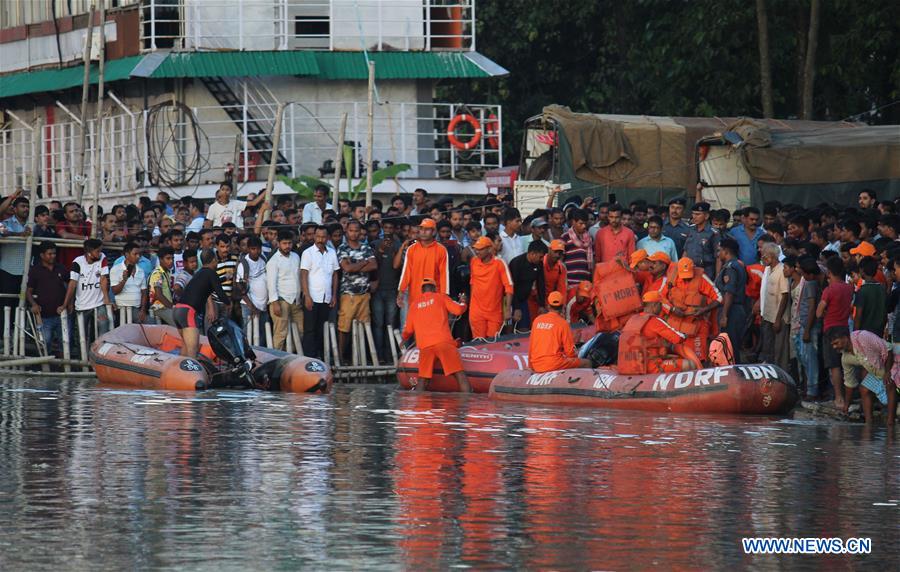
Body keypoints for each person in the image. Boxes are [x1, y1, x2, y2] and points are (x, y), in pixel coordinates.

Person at [401, 278, 470, 392]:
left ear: (422, 290)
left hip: (425, 346)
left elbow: (408, 329)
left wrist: (403, 339)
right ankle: (466, 405)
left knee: (423, 380)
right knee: (460, 375)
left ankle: (420, 407)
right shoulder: (441, 297)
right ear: (434, 288)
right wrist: (463, 302)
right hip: (443, 343)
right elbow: (458, 310)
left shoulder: (414, 304)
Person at [618, 291, 698, 374]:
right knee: (690, 364)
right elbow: (678, 338)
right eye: (660, 305)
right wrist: (685, 335)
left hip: (633, 366)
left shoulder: (632, 319)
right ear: (654, 305)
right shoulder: (654, 320)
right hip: (652, 366)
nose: (661, 308)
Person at [828, 326, 895, 425]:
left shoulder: (862, 337)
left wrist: (888, 372)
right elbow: (849, 384)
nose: (834, 347)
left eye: (836, 343)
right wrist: (846, 405)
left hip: (893, 365)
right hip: (878, 372)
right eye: (832, 344)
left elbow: (888, 349)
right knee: (864, 388)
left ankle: (890, 421)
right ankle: (869, 422)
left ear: (845, 338)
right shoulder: (845, 358)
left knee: (889, 383)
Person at [173, 249, 230, 358]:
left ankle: (179, 372)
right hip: (188, 312)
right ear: (214, 260)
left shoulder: (199, 273)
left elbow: (213, 283)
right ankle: (191, 374)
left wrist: (224, 277)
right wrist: (228, 304)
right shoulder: (211, 273)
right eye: (217, 260)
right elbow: (220, 293)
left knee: (186, 346)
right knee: (193, 350)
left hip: (177, 310)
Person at [664, 257, 722, 360]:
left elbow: (719, 298)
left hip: (696, 327)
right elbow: (661, 299)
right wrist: (672, 309)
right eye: (684, 276)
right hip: (675, 327)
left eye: (689, 276)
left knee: (699, 360)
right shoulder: (671, 279)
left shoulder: (702, 278)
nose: (686, 279)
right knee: (676, 360)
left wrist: (703, 310)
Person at [816, 257, 854, 410]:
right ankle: (845, 397)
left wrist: (826, 313)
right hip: (844, 328)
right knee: (845, 363)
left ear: (829, 273)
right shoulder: (848, 288)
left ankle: (838, 398)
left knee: (834, 365)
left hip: (831, 329)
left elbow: (819, 312)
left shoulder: (829, 290)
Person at [60, 238, 112, 352]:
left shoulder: (102, 257)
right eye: (97, 251)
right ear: (89, 252)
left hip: (98, 304)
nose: (100, 253)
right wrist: (66, 304)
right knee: (82, 336)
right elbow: (72, 284)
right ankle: (82, 358)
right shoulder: (77, 262)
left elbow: (103, 279)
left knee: (103, 327)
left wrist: (106, 298)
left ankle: (100, 354)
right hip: (82, 305)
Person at [337, 220, 377, 358]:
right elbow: (347, 268)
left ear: (360, 232)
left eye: (356, 230)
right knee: (344, 328)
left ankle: (360, 358)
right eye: (351, 230)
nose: (354, 233)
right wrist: (365, 262)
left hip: (364, 293)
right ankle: (341, 357)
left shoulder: (366, 247)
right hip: (348, 294)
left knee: (364, 326)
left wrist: (355, 265)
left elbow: (374, 266)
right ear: (346, 232)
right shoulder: (342, 248)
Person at [300, 226, 340, 360]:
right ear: (314, 237)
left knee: (321, 329)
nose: (320, 240)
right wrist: (307, 296)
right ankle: (309, 359)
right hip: (312, 296)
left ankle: (320, 357)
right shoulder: (308, 253)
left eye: (323, 237)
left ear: (327, 238)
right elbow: (304, 275)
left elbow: (335, 274)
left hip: (326, 297)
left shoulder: (332, 253)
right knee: (309, 329)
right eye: (318, 236)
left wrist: (334, 295)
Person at [528, 291, 591, 373]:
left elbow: (531, 346)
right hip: (553, 364)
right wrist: (575, 360)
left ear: (548, 305)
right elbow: (570, 353)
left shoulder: (537, 320)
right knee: (587, 363)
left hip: (536, 365)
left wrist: (530, 366)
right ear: (562, 307)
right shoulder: (563, 323)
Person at [25, 242, 69, 357]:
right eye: (49, 254)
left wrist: (68, 304)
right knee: (45, 342)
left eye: (54, 253)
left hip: (61, 313)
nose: (53, 256)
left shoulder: (61, 268)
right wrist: (33, 304)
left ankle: (63, 365)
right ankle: (47, 365)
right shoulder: (35, 270)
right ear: (42, 255)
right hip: (44, 315)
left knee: (65, 342)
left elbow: (71, 286)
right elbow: (28, 291)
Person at [397, 218, 448, 309]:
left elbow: (444, 275)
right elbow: (406, 272)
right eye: (421, 229)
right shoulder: (411, 249)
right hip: (415, 295)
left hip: (435, 295)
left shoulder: (441, 250)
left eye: (427, 229)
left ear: (433, 232)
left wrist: (444, 295)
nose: (423, 232)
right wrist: (401, 291)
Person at [468, 236, 513, 339]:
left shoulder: (500, 263)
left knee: (492, 341)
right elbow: (472, 283)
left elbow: (509, 286)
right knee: (478, 341)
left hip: (495, 311)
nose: (477, 251)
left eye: (480, 249)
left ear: (489, 249)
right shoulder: (473, 261)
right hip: (476, 311)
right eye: (476, 248)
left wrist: (507, 310)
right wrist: (471, 305)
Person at [267, 230, 303, 351]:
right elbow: (271, 283)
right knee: (280, 333)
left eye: (289, 243)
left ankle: (291, 357)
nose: (287, 246)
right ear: (278, 244)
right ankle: (276, 359)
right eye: (284, 243)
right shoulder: (273, 261)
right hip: (281, 301)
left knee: (300, 331)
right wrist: (274, 302)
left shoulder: (296, 257)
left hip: (295, 301)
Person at [714, 238, 748, 363]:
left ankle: (735, 377)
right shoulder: (738, 264)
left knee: (730, 347)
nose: (718, 254)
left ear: (726, 251)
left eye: (719, 251)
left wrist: (724, 315)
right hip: (735, 309)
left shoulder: (731, 267)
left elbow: (729, 293)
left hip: (732, 310)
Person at [370, 226, 401, 359]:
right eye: (385, 228)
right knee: (378, 324)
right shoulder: (374, 244)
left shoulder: (399, 245)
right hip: (377, 290)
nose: (388, 230)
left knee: (391, 323)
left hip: (392, 289)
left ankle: (390, 355)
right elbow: (372, 265)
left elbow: (398, 267)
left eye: (390, 228)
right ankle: (378, 355)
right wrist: (380, 250)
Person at [797, 256, 824, 399]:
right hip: (806, 325)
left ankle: (812, 391)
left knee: (810, 358)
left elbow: (812, 307)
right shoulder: (813, 282)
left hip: (810, 327)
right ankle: (810, 388)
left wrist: (807, 330)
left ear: (810, 274)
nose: (803, 277)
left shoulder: (810, 284)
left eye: (804, 274)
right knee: (806, 357)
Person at [509, 240, 548, 328]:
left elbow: (541, 284)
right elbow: (511, 287)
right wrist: (516, 308)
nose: (542, 259)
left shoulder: (539, 264)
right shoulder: (516, 263)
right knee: (510, 329)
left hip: (523, 300)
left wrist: (541, 305)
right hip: (509, 302)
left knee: (525, 328)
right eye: (541, 257)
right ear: (532, 253)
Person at [235, 236, 268, 340]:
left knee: (262, 335)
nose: (256, 251)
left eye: (258, 248)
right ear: (248, 249)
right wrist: (252, 307)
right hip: (249, 306)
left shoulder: (263, 259)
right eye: (253, 249)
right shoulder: (243, 265)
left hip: (263, 305)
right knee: (248, 335)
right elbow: (241, 290)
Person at [0, 195, 31, 307]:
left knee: (23, 304)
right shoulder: (5, 223)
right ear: (14, 209)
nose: (26, 209)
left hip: (26, 272)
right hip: (8, 270)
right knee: (7, 304)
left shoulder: (33, 224)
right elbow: (3, 232)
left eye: (28, 206)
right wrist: (20, 234)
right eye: (23, 206)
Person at [109, 241, 148, 324]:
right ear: (127, 255)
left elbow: (144, 293)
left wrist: (143, 310)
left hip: (137, 309)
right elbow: (115, 291)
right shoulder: (116, 269)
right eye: (135, 254)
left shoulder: (140, 271)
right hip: (122, 308)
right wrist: (124, 280)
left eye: (139, 254)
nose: (138, 256)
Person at [683, 202, 719, 279]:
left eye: (698, 214)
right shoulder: (690, 229)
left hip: (706, 271)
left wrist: (717, 276)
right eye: (693, 214)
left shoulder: (713, 233)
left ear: (706, 216)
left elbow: (718, 257)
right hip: (689, 271)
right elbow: (686, 251)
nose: (694, 217)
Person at [853, 256, 887, 335]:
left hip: (864, 334)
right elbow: (885, 313)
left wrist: (854, 335)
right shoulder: (882, 289)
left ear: (862, 271)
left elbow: (858, 316)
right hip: (878, 333)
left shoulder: (862, 291)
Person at [562, 208, 593, 289]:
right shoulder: (565, 237)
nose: (584, 226)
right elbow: (560, 261)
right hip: (570, 282)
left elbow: (593, 261)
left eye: (585, 223)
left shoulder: (589, 239)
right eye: (581, 223)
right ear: (573, 222)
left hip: (585, 283)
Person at [148, 246, 175, 324]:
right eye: (168, 258)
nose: (171, 261)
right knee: (178, 321)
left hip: (166, 306)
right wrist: (172, 307)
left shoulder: (167, 272)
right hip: (159, 308)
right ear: (160, 259)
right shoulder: (157, 274)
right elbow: (159, 295)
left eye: (172, 258)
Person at [543, 239, 568, 305]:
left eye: (560, 253)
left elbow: (562, 289)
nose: (557, 255)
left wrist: (562, 305)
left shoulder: (561, 268)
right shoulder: (540, 263)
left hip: (551, 300)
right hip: (536, 300)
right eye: (555, 251)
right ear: (549, 250)